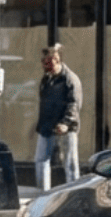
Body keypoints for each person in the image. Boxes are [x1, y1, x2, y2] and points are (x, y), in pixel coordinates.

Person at [34, 44, 82, 191]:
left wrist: (66, 123)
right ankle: (44, 194)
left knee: (70, 163)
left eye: (50, 64)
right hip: (47, 125)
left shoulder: (70, 79)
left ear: (58, 60)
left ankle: (72, 194)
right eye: (45, 64)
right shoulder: (47, 78)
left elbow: (74, 103)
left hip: (65, 127)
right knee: (41, 160)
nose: (48, 68)